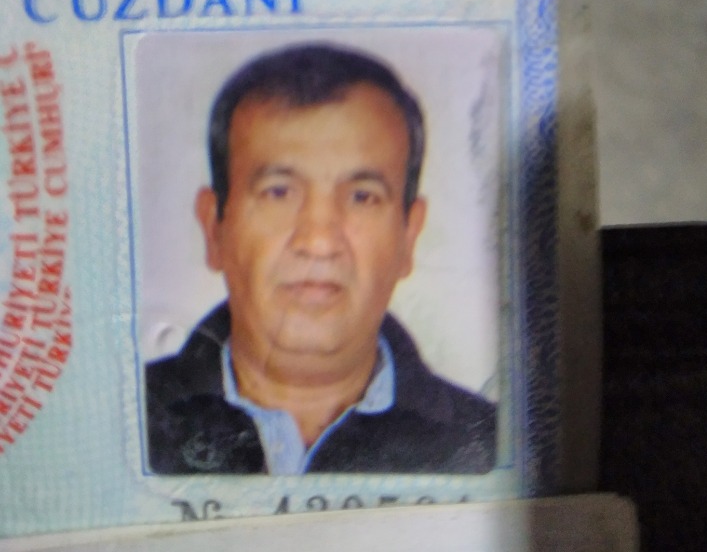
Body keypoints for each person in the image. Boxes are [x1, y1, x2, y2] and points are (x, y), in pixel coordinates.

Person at [145, 43, 496, 475]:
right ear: (214, 228)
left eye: (362, 197)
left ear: (408, 236)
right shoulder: (116, 426)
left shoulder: (495, 447)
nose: (319, 241)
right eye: (278, 192)